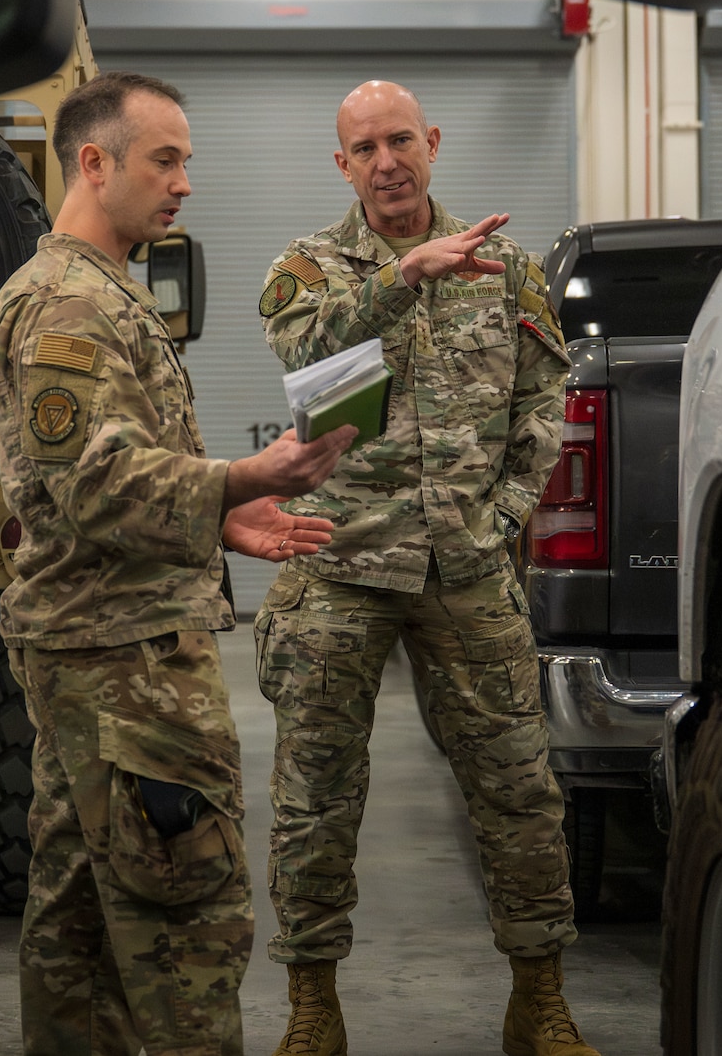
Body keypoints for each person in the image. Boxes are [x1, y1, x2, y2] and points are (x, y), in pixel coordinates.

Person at [0, 71, 357, 1056]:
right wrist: (245, 474)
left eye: (186, 160)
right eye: (165, 159)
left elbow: (89, 479)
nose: (185, 181)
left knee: (78, 933)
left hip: (99, 651)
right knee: (189, 926)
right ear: (93, 163)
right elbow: (92, 485)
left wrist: (220, 514)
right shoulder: (69, 306)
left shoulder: (95, 290)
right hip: (126, 664)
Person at [256, 81, 595, 1056]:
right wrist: (402, 275)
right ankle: (312, 1008)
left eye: (399, 140)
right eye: (364, 148)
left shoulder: (506, 270)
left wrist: (504, 514)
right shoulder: (308, 269)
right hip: (340, 562)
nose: (385, 162)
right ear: (342, 165)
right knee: (314, 798)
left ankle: (539, 1000)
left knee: (519, 789)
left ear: (432, 142)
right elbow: (307, 350)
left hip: (466, 568)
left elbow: (545, 402)